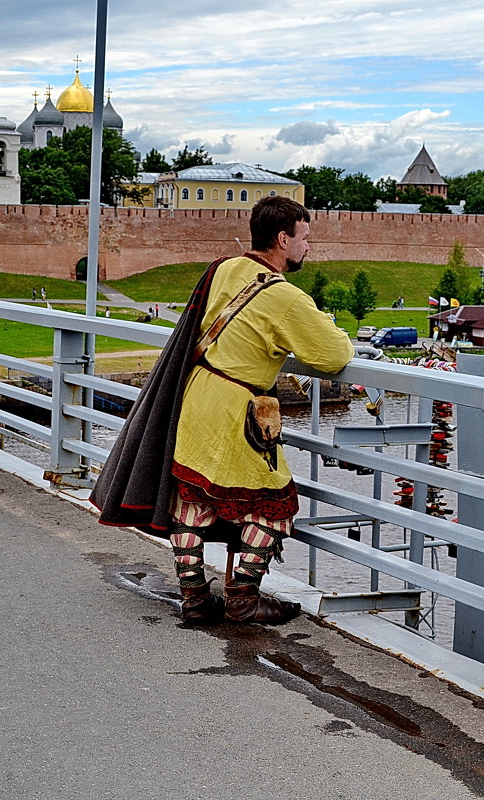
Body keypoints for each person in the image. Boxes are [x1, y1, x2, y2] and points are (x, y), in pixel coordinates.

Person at [91, 196, 353, 625]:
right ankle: (243, 599)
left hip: (193, 397)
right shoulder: (286, 297)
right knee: (272, 502)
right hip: (235, 408)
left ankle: (194, 598)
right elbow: (331, 354)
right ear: (283, 239)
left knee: (193, 496)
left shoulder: (224, 268)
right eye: (305, 237)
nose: (309, 246)